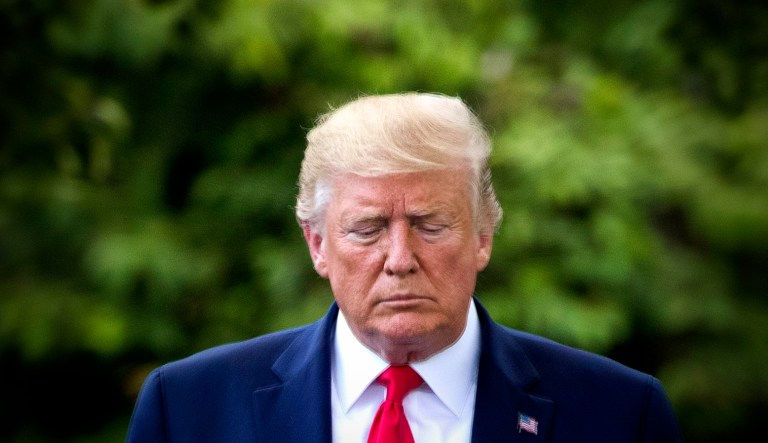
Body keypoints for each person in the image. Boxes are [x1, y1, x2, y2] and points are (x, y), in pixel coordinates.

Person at [126, 92, 683, 442]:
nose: (399, 260)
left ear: (483, 236)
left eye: (430, 224)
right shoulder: (188, 410)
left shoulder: (620, 415)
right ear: (317, 245)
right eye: (367, 229)